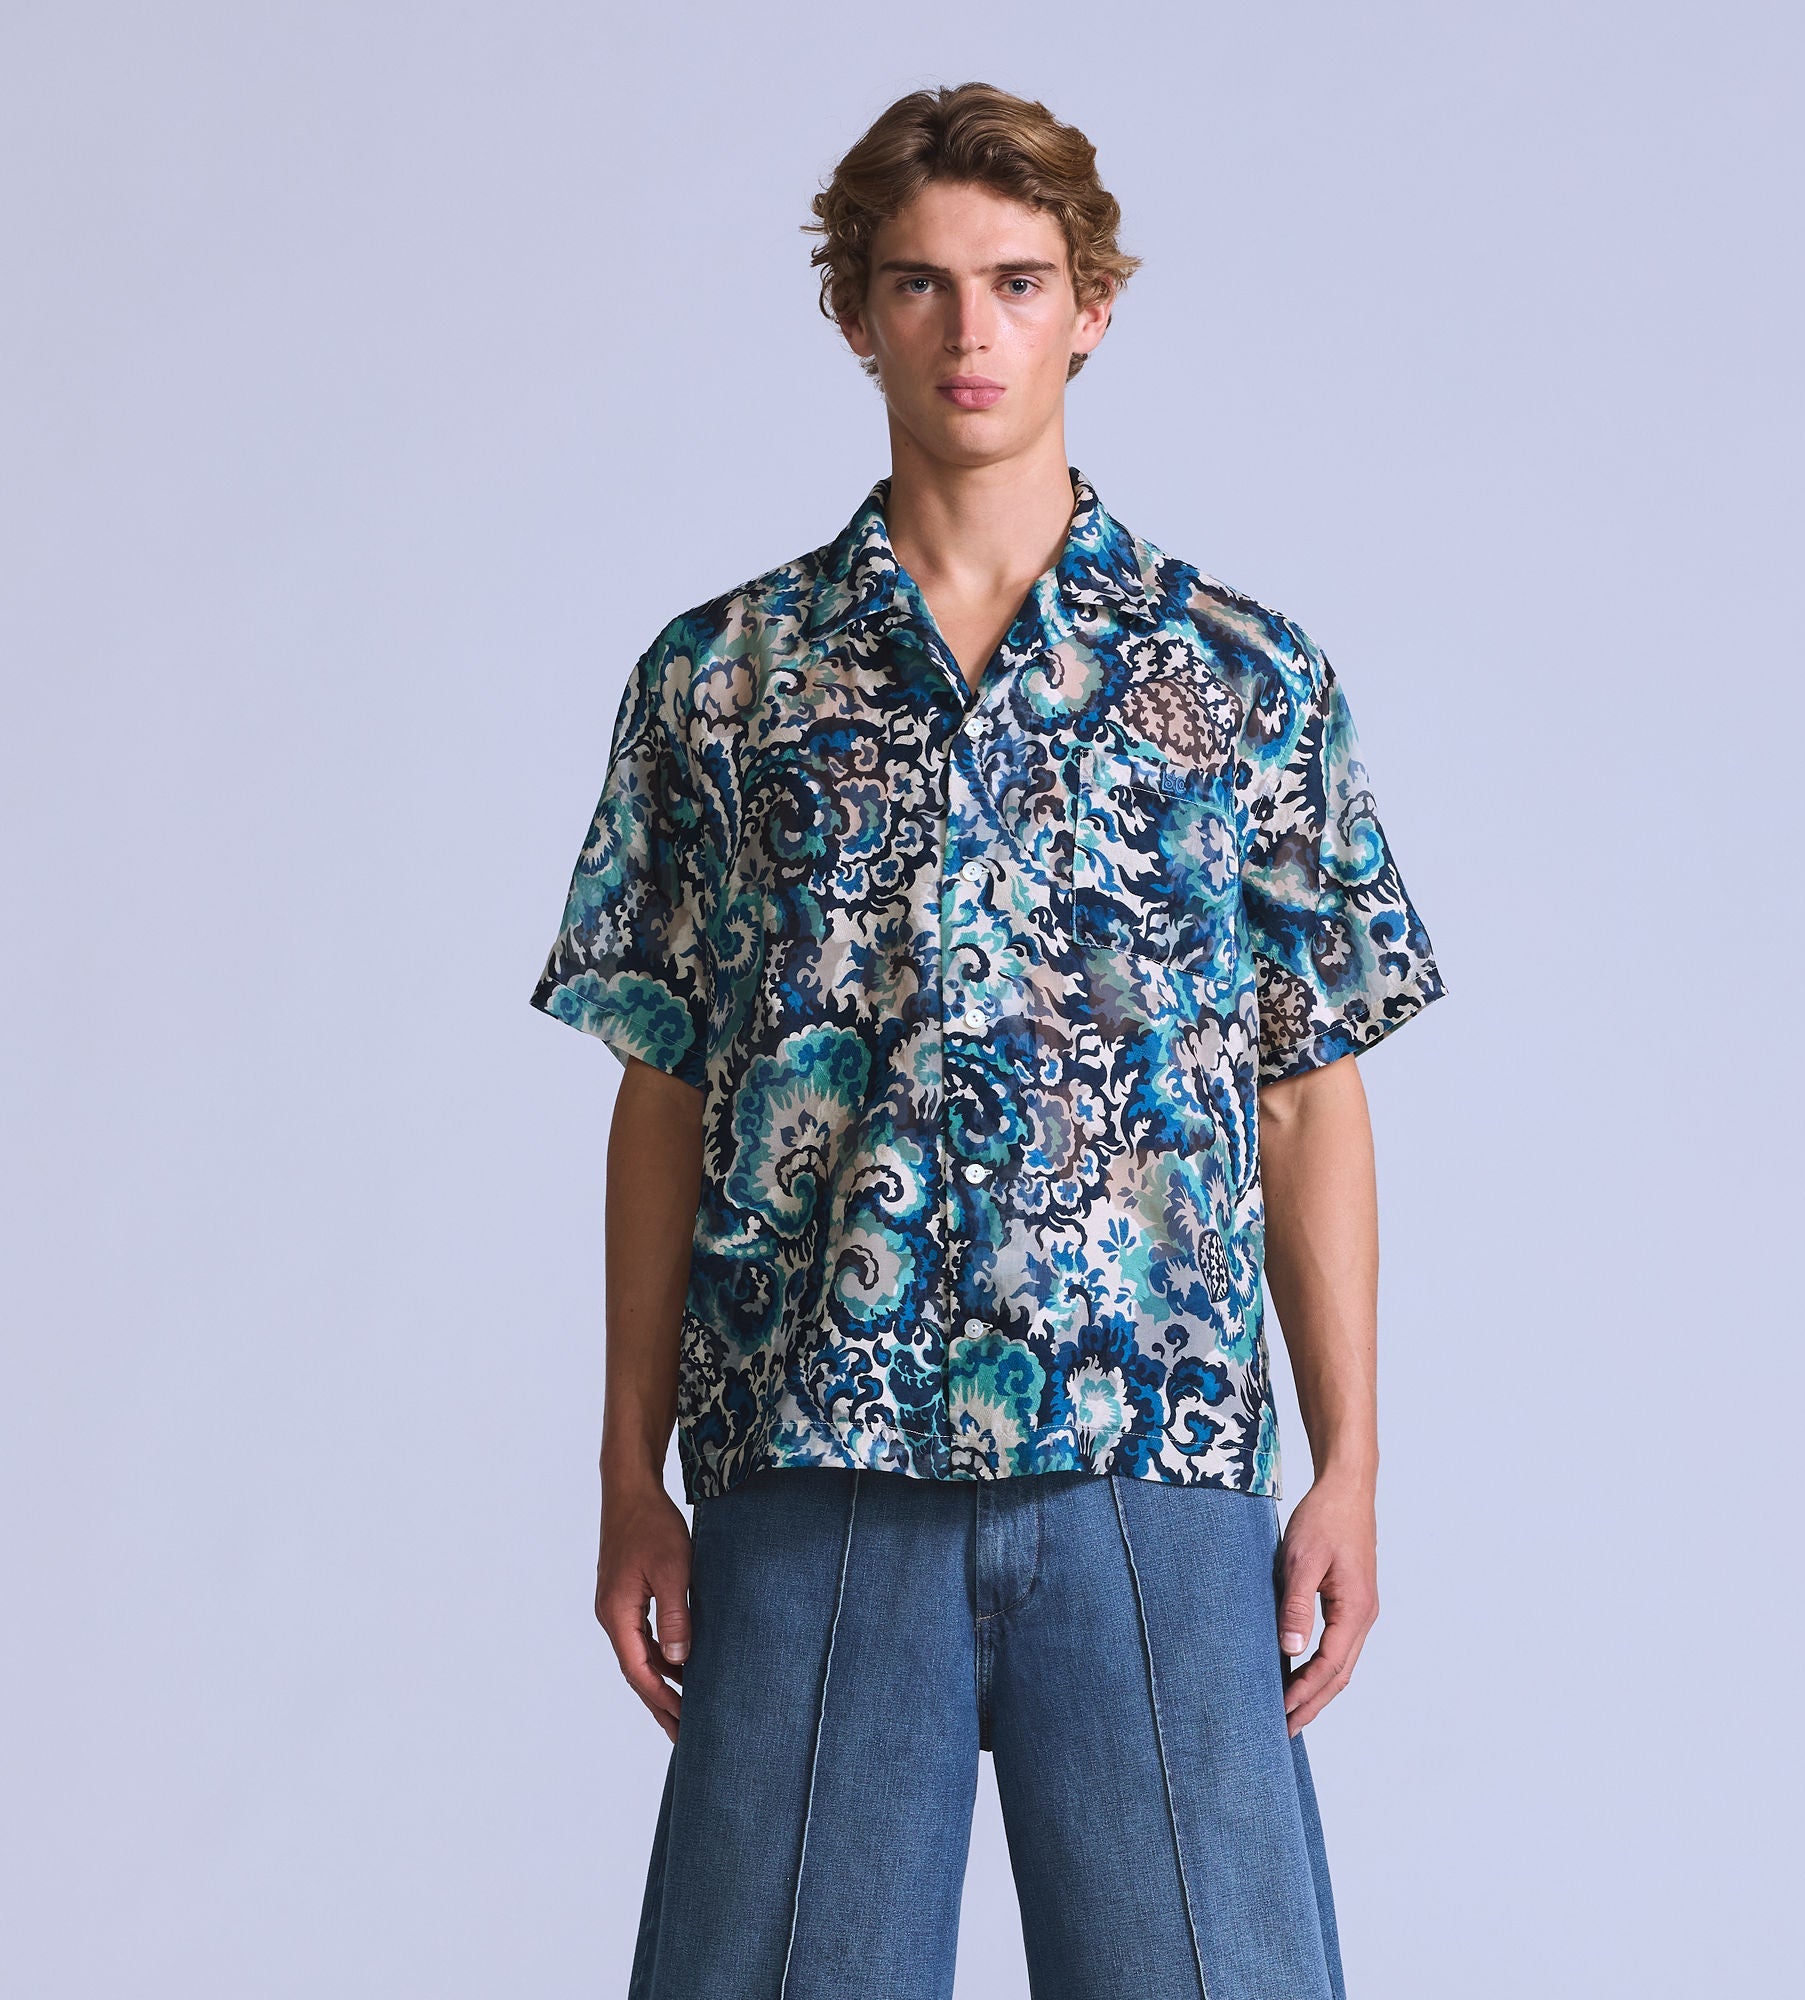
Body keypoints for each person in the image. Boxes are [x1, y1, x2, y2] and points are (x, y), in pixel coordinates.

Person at [530, 79, 1445, 2000]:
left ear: (1091, 306)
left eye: (1019, 282)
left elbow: (1308, 1093)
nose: (972, 330)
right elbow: (663, 1092)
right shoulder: (720, 685)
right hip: (814, 1463)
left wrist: (1350, 1464)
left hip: (1149, 1466)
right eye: (922, 284)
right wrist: (628, 1474)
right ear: (855, 313)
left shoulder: (1242, 677)